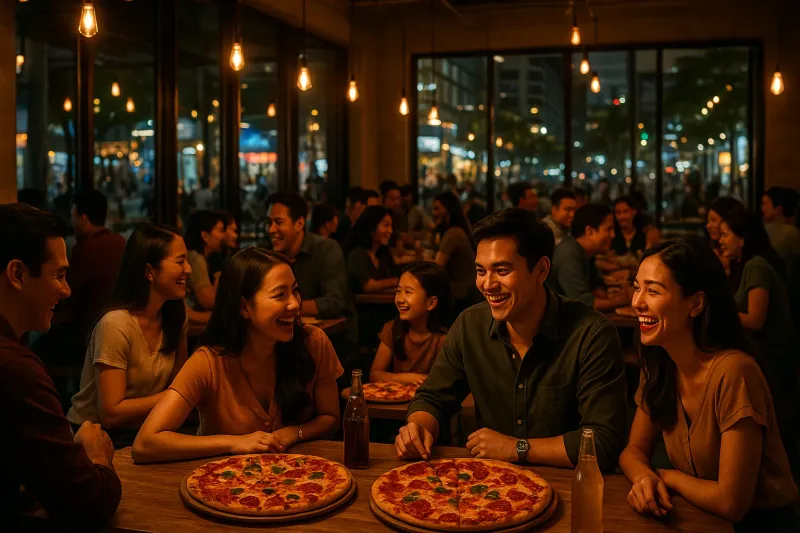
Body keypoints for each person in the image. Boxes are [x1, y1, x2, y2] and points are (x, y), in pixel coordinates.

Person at [396, 208, 627, 471]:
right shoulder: (470, 325)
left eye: (502, 271)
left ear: (541, 269)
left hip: (570, 486)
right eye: (481, 271)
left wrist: (517, 448)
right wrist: (418, 427)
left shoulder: (591, 334)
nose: (488, 284)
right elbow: (433, 398)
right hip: (490, 489)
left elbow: (604, 442)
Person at [619, 238, 799, 531]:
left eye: (652, 290)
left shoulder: (734, 372)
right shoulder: (660, 363)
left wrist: (666, 476)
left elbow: (732, 503)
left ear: (696, 304)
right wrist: (644, 478)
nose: (637, 302)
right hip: (701, 518)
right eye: (637, 287)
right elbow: (632, 451)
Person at [131, 248, 343, 463]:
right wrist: (234, 442)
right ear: (244, 307)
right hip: (222, 484)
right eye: (280, 295)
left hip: (299, 480)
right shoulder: (209, 362)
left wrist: (294, 433)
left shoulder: (313, 342)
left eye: (295, 290)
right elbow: (145, 443)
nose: (295, 304)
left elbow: (331, 417)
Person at [0, 203, 121, 525]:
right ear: (17, 274)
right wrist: (97, 455)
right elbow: (90, 502)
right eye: (59, 275)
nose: (67, 291)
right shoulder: (15, 368)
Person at [67, 225, 190, 446]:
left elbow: (179, 386)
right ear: (150, 272)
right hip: (96, 437)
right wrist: (178, 397)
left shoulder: (176, 318)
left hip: (148, 432)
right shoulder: (116, 325)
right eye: (180, 261)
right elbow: (111, 414)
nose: (188, 269)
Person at [34, 189, 126, 367]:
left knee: (37, 347)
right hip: (114, 327)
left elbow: (69, 295)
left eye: (72, 215)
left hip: (86, 332)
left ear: (83, 218)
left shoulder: (86, 248)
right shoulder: (120, 242)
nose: (71, 221)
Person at [266, 192, 356, 341]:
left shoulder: (326, 248)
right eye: (269, 223)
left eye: (279, 222)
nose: (271, 230)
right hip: (287, 337)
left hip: (332, 339)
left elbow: (334, 302)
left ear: (299, 224)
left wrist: (281, 308)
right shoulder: (268, 255)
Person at [718, 210, 793, 386]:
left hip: (771, 358)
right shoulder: (742, 266)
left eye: (725, 235)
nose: (720, 241)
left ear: (742, 239)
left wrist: (719, 310)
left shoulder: (756, 266)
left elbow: (755, 320)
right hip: (758, 353)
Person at [370, 263, 452, 385]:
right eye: (399, 291)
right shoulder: (393, 329)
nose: (400, 299)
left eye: (408, 292)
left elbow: (445, 382)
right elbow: (375, 374)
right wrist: (403, 378)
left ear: (431, 303)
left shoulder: (443, 339)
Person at [548, 203, 629, 311]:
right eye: (608, 229)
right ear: (589, 231)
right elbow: (585, 303)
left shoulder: (586, 252)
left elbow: (597, 288)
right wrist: (626, 300)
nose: (613, 235)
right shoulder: (568, 255)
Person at [431, 191, 480, 315]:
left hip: (462, 295)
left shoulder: (453, 234)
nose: (434, 213)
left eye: (437, 209)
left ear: (448, 209)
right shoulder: (457, 230)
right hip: (468, 292)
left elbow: (437, 267)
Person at [344, 205, 399, 294]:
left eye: (391, 226)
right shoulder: (358, 255)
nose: (390, 231)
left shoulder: (382, 255)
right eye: (386, 225)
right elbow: (368, 286)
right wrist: (396, 281)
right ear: (371, 227)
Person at [184, 209, 225, 315]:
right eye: (220, 230)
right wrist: (219, 274)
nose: (223, 236)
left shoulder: (203, 258)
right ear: (205, 236)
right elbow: (209, 301)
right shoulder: (195, 258)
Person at [762, 186, 800, 271]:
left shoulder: (789, 232)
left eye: (765, 204)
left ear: (778, 209)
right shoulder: (791, 231)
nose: (762, 208)